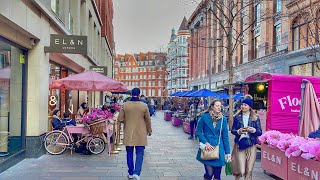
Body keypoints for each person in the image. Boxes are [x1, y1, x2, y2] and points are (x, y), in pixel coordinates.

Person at [118, 88, 152, 180]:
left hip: (129, 133)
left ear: (131, 94)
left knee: (129, 153)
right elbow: (148, 120)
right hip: (141, 133)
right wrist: (149, 130)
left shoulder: (125, 105)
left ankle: (130, 173)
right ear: (139, 94)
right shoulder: (144, 106)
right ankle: (137, 173)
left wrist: (127, 121)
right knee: (140, 153)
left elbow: (120, 118)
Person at [196, 99, 231, 180]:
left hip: (219, 149)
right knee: (209, 173)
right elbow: (198, 131)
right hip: (207, 148)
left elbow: (225, 137)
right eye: (217, 106)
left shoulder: (223, 119)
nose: (219, 108)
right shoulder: (204, 116)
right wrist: (205, 142)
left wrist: (228, 152)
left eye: (220, 106)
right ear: (212, 106)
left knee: (217, 175)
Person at [231, 95, 262, 180]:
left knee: (249, 170)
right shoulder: (237, 117)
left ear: (249, 107)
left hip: (251, 144)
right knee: (241, 170)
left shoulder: (255, 117)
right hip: (240, 145)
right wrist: (238, 131)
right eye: (242, 104)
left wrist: (253, 130)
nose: (243, 106)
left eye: (245, 105)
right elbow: (232, 130)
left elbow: (260, 132)